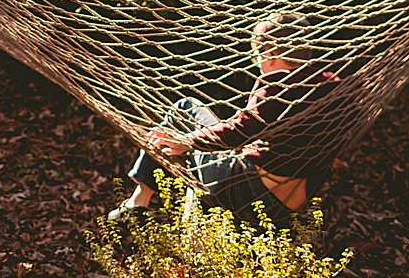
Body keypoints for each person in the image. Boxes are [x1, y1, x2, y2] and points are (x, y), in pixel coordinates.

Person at [111, 13, 341, 226]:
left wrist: (188, 141)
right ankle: (190, 230)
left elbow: (240, 129)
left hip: (249, 189)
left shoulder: (277, 85)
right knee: (201, 153)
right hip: (288, 204)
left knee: (185, 110)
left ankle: (139, 201)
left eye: (258, 57)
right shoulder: (332, 86)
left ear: (270, 53)